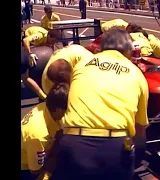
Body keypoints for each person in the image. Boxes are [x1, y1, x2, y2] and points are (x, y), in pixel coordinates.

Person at [51, 28, 149, 180]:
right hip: (114, 148)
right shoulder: (136, 74)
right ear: (128, 50)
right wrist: (137, 155)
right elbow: (140, 128)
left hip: (73, 143)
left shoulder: (82, 64)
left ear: (102, 46)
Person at [21, 83, 70, 180]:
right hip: (26, 168)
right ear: (60, 110)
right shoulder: (39, 135)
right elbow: (35, 170)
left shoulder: (45, 107)